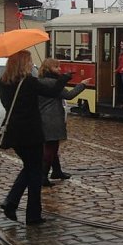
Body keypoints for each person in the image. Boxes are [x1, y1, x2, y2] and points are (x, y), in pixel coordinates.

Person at [0, 50, 70, 226]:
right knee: (35, 172)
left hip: (14, 133)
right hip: (31, 134)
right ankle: (32, 215)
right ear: (23, 64)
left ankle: (12, 202)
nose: (32, 65)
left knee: (30, 168)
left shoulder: (3, 82)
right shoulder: (29, 82)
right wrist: (64, 78)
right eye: (29, 61)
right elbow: (52, 91)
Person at [36, 58, 92, 186]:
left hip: (43, 118)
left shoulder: (39, 81)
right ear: (49, 69)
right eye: (56, 67)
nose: (59, 69)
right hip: (53, 118)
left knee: (51, 144)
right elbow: (69, 95)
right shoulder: (53, 83)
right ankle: (43, 176)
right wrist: (82, 84)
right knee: (51, 147)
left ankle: (57, 170)